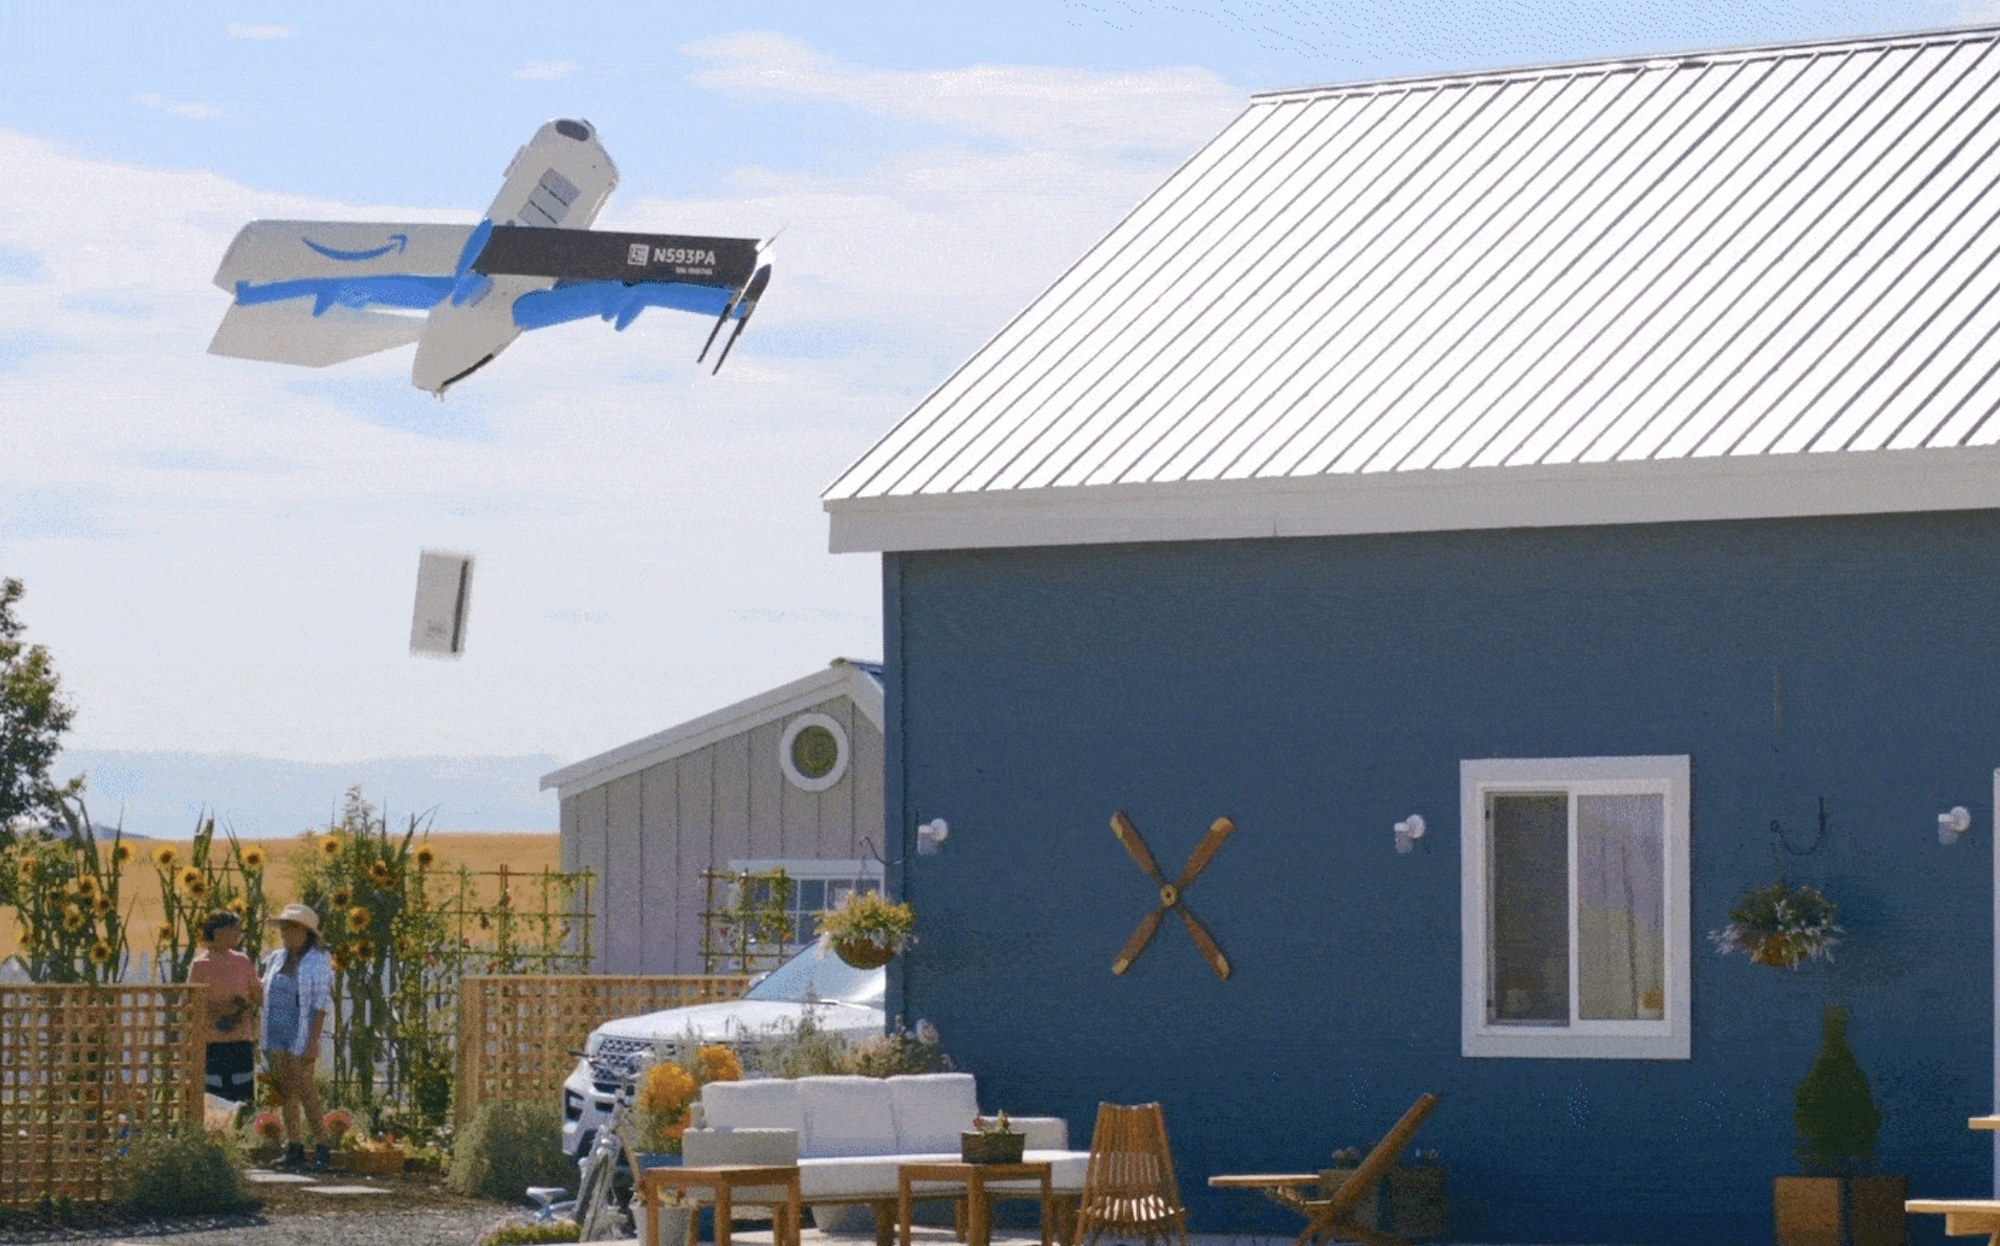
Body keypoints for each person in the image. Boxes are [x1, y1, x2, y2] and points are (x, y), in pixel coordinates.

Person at [261, 902, 335, 1171]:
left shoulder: (318, 960)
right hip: (276, 1030)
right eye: (284, 928)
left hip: (301, 1031)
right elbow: (264, 991)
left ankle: (323, 1144)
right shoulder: (276, 958)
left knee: (306, 1089)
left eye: (293, 929)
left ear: (307, 933)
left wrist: (313, 1042)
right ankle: (294, 1145)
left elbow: (321, 1003)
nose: (286, 933)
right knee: (284, 1090)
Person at [186, 910, 261, 1114]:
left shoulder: (243, 961)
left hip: (240, 1038)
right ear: (218, 933)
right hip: (211, 1040)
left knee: (243, 1089)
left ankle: (244, 1134)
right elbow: (192, 1000)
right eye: (234, 929)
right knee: (214, 1092)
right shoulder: (201, 965)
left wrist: (242, 1008)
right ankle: (215, 1136)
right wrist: (218, 1009)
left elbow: (256, 994)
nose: (238, 934)